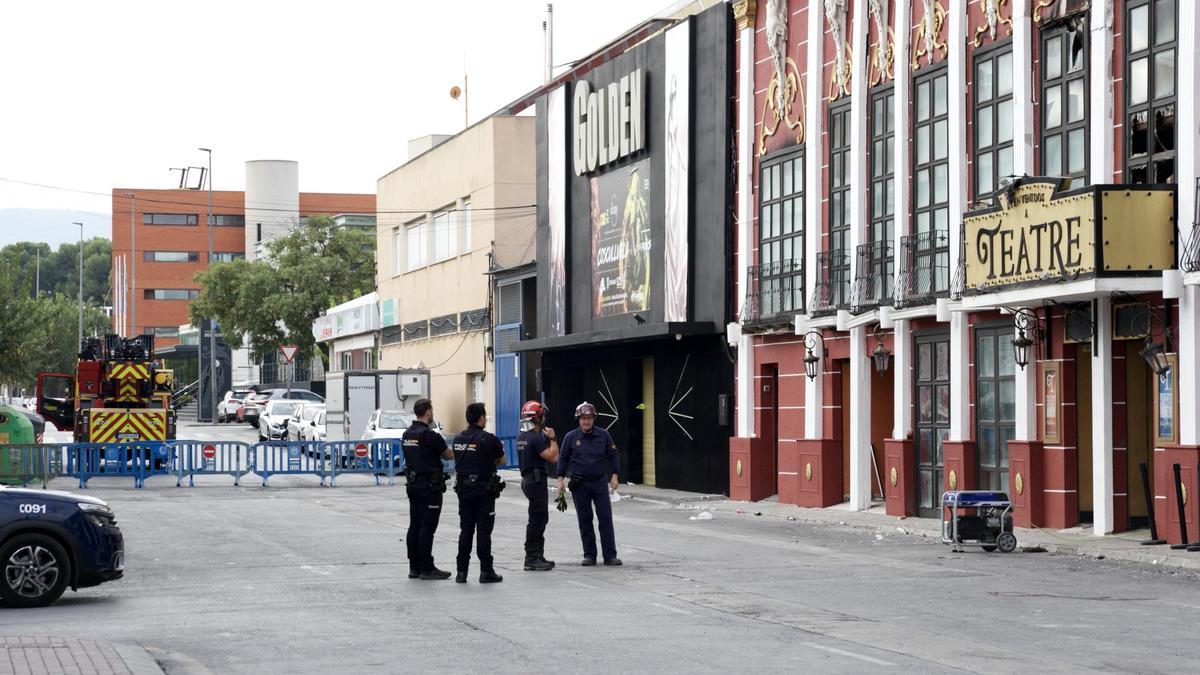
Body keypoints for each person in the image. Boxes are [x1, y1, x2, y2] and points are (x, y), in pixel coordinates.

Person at [556, 402, 622, 567]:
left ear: (594, 419)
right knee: (585, 519)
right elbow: (563, 459)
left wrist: (614, 475)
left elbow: (613, 455)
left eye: (589, 418)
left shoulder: (604, 435)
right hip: (580, 484)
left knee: (605, 519)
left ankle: (610, 555)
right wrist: (560, 480)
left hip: (599, 482)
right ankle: (589, 555)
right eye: (583, 418)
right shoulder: (570, 437)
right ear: (579, 419)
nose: (586, 422)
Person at [451, 402, 507, 584]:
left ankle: (461, 572)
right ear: (482, 418)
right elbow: (502, 460)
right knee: (483, 531)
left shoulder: (458, 439)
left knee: (465, 530)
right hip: (484, 491)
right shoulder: (489, 438)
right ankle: (486, 571)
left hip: (464, 490)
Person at [402, 398, 454, 580]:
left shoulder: (407, 434)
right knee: (427, 527)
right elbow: (448, 454)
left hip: (413, 485)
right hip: (429, 487)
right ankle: (427, 567)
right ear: (428, 412)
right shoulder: (429, 435)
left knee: (415, 524)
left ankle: (414, 566)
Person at [516, 400, 559, 571]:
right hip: (536, 480)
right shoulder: (535, 437)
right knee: (537, 519)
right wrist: (553, 438)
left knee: (539, 518)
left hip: (528, 480)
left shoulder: (522, 436)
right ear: (538, 417)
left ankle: (538, 555)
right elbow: (554, 457)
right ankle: (532, 557)